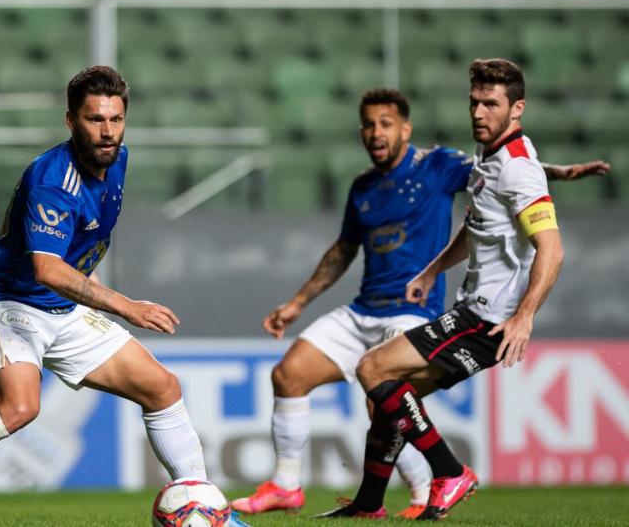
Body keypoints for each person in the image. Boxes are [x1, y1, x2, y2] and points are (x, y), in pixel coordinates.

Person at [0, 66, 249, 527]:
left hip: (62, 309)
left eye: (115, 119)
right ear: (70, 121)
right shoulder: (52, 180)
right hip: (8, 303)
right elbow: (45, 269)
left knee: (162, 388)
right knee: (21, 407)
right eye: (95, 120)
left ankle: (203, 508)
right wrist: (125, 305)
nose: (108, 132)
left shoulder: (118, 158)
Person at [232, 88, 608, 519]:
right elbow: (342, 251)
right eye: (369, 125)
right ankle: (288, 487)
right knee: (289, 374)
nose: (377, 133)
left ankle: (423, 489)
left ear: (405, 129)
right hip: (363, 310)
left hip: (413, 309)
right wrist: (297, 303)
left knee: (382, 395)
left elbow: (508, 172)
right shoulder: (363, 189)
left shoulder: (438, 164)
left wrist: (559, 172)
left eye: (386, 124)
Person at [318, 59, 565, 520]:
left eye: (491, 104)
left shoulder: (518, 169)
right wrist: (432, 271)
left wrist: (525, 315)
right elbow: (478, 228)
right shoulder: (488, 158)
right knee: (392, 399)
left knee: (372, 369)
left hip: (491, 317)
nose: (479, 112)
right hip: (477, 308)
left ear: (517, 109)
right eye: (474, 102)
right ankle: (369, 505)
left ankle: (449, 472)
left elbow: (551, 250)